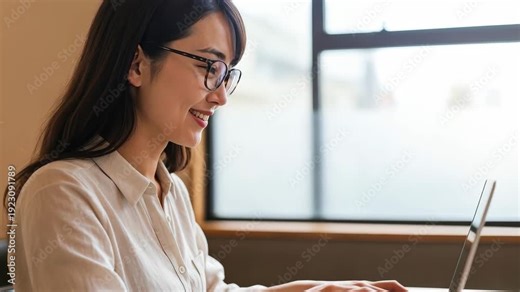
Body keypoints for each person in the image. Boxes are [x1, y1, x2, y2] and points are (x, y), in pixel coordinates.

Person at [5, 0, 407, 291]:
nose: (221, 96)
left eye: (227, 74)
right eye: (209, 67)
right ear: (136, 64)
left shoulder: (171, 192)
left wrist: (314, 290)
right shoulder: (62, 193)